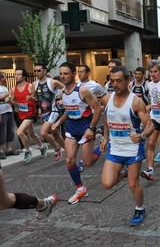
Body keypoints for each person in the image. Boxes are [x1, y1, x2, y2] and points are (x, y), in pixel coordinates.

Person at [100, 66, 154, 226]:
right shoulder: (106, 99)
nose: (115, 84)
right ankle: (124, 173)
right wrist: (104, 137)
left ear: (128, 81)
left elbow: (150, 125)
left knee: (133, 184)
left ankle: (140, 208)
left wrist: (142, 135)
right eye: (112, 81)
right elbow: (106, 117)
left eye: (118, 81)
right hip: (115, 149)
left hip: (132, 150)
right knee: (107, 184)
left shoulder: (136, 102)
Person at [52, 62, 102, 204]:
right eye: (61, 73)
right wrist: (59, 122)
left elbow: (98, 108)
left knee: (88, 162)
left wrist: (91, 128)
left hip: (85, 126)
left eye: (66, 73)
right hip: (72, 128)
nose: (62, 76)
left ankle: (104, 147)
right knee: (69, 160)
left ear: (73, 74)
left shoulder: (83, 90)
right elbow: (69, 110)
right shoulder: (62, 92)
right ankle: (80, 189)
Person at [7, 68, 47, 163]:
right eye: (15, 74)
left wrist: (33, 99)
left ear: (24, 76)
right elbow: (14, 103)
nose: (16, 76)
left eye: (18, 74)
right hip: (22, 113)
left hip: (31, 113)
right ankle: (42, 147)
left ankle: (28, 150)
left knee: (20, 132)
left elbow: (38, 98)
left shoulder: (30, 86)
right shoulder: (13, 89)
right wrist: (10, 102)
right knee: (31, 133)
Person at [76, 64, 108, 171]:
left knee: (86, 137)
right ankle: (100, 144)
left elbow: (104, 95)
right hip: (79, 116)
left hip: (91, 116)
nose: (80, 74)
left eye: (82, 71)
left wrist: (103, 106)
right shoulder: (76, 85)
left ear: (88, 73)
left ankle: (82, 160)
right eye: (78, 72)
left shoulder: (95, 85)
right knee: (82, 137)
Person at [31, 63, 65, 162]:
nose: (36, 72)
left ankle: (57, 149)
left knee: (43, 132)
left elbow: (65, 88)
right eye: (35, 71)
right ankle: (68, 151)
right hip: (44, 112)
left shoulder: (53, 82)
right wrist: (31, 98)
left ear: (45, 71)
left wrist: (61, 98)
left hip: (54, 110)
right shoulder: (34, 84)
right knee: (54, 133)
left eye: (39, 70)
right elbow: (35, 97)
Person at [0, 72, 18, 159]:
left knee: (9, 130)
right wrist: (6, 95)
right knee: (2, 131)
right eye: (4, 77)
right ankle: (1, 150)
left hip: (8, 110)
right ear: (1, 78)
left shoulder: (4, 87)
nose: (6, 78)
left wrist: (11, 101)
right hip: (1, 111)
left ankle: (9, 148)